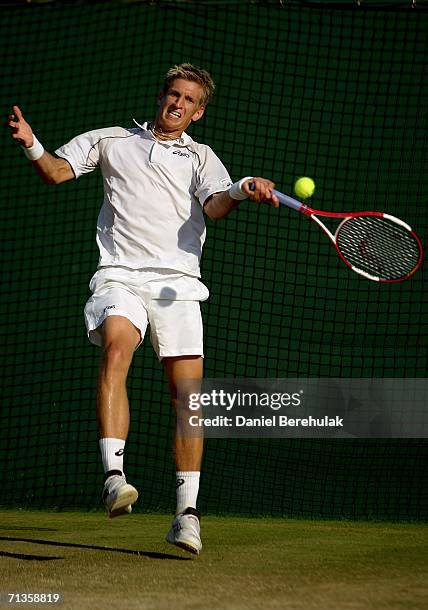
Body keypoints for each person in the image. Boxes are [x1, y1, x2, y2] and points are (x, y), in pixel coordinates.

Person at [8, 63, 278, 555]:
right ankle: (114, 477)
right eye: (173, 93)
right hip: (120, 275)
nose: (177, 103)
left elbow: (216, 204)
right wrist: (30, 141)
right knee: (115, 348)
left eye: (188, 99)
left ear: (199, 112)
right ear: (162, 95)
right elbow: (54, 172)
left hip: (178, 285)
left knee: (188, 398)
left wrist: (242, 189)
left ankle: (186, 516)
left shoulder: (201, 158)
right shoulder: (111, 140)